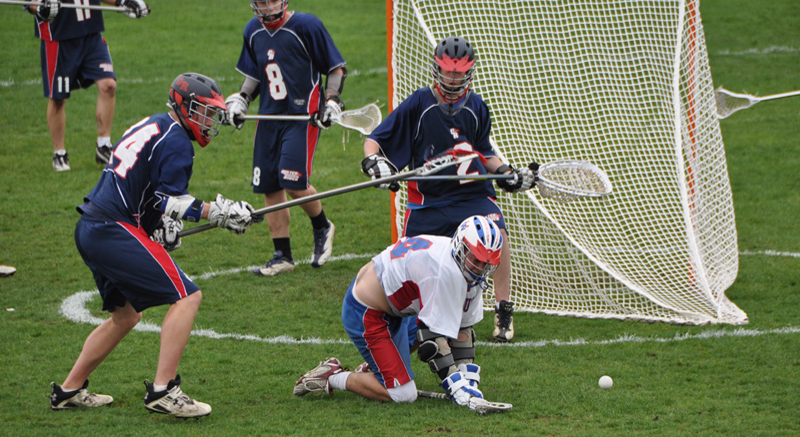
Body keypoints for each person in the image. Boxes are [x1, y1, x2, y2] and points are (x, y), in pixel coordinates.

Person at [49, 73, 260, 418]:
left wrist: (157, 230)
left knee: (126, 316)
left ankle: (69, 390)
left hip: (92, 227)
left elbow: (143, 191)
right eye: (204, 112)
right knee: (188, 295)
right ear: (184, 106)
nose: (209, 121)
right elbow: (171, 200)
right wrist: (219, 212)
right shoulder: (177, 141)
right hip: (112, 229)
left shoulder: (155, 123)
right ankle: (164, 391)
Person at [361, 36, 536, 342]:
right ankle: (404, 322)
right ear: (436, 69)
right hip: (428, 202)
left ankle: (503, 310)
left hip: (472, 196)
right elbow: (374, 140)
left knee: (498, 234)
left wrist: (507, 173)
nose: (453, 79)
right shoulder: (419, 103)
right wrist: (375, 163)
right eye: (447, 72)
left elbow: (484, 153)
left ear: (469, 72)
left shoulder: (476, 106)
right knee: (406, 266)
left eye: (458, 73)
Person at [294, 216, 502, 409]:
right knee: (404, 393)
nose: (480, 268)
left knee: (445, 326)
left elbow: (462, 328)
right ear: (461, 247)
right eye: (476, 260)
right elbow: (433, 341)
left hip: (397, 311)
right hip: (367, 312)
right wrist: (456, 384)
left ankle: (375, 369)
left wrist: (469, 380)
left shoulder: (463, 267)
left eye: (487, 263)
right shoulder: (442, 271)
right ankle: (331, 377)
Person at [225, 0, 346, 276]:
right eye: (261, 2)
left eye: (271, 1)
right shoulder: (253, 30)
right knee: (269, 185)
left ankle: (322, 226)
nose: (267, 7)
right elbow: (256, 72)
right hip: (269, 116)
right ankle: (282, 255)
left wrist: (332, 100)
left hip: (301, 116)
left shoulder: (306, 26)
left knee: (292, 181)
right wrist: (242, 100)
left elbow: (336, 68)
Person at [24, 0, 150, 172]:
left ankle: (103, 146)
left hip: (91, 33)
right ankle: (59, 153)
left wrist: (122, 2)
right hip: (58, 38)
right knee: (58, 98)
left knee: (109, 85)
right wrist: (39, 7)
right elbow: (31, 3)